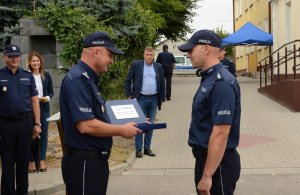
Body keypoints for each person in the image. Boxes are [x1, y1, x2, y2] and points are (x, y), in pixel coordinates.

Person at [59, 31, 142, 195]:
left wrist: (133, 120)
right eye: (110, 55)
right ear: (96, 51)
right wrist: (121, 130)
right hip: (84, 163)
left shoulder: (88, 79)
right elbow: (86, 125)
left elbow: (98, 116)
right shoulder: (77, 80)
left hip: (94, 163)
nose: (112, 61)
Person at [178, 30, 241, 195]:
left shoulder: (221, 83)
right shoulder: (209, 77)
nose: (189, 54)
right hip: (208, 160)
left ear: (206, 48)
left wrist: (207, 175)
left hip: (217, 164)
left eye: (192, 49)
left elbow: (221, 133)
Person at [0, 44, 41, 194]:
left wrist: (37, 123)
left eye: (17, 56)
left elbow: (35, 101)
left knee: (23, 162)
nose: (15, 59)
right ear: (4, 57)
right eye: (11, 56)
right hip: (5, 124)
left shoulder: (27, 75)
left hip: (25, 123)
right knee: (7, 162)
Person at [124, 46, 165, 158]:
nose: (149, 56)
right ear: (144, 55)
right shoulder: (137, 65)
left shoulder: (158, 66)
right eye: (147, 54)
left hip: (154, 99)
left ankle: (147, 148)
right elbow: (128, 80)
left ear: (154, 55)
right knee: (140, 124)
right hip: (140, 98)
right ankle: (138, 150)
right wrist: (129, 94)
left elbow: (162, 82)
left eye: (151, 55)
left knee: (150, 124)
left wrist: (162, 97)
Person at [26, 51, 54, 173]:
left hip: (44, 108)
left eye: (37, 60)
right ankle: (32, 162)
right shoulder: (26, 76)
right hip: (30, 109)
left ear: (40, 62)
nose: (36, 63)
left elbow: (51, 92)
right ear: (29, 63)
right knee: (31, 135)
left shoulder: (46, 75)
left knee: (44, 136)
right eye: (33, 61)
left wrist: (47, 98)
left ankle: (42, 161)